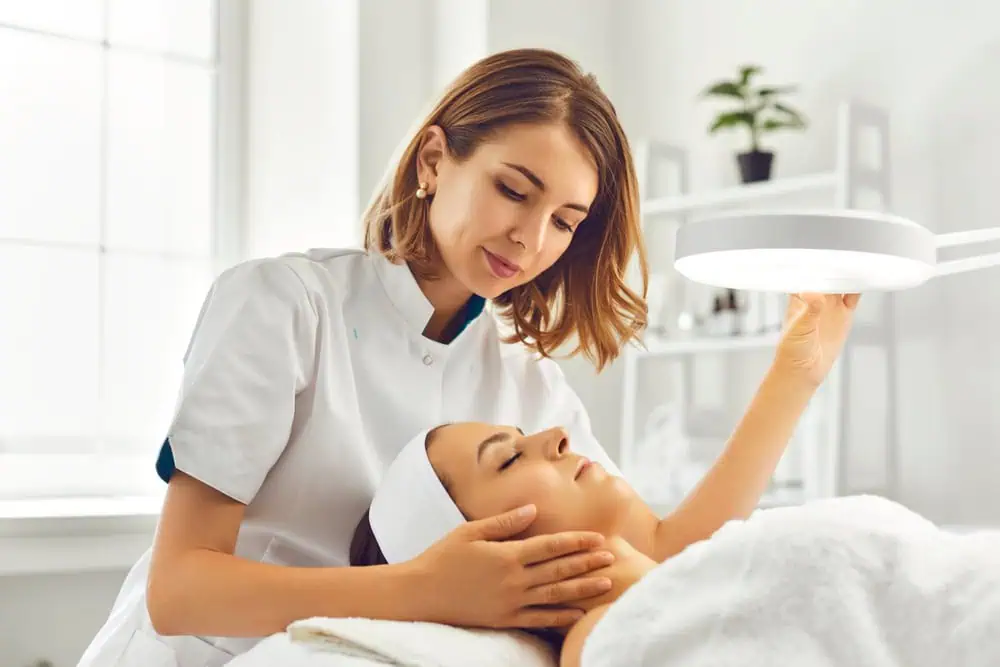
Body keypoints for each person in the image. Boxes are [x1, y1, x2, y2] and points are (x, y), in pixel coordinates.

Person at [76, 46, 858, 667]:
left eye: (565, 220)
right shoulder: (283, 304)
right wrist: (423, 589)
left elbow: (658, 552)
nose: (532, 238)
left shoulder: (526, 385)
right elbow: (180, 589)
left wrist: (800, 366)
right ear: (432, 161)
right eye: (513, 190)